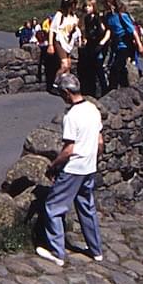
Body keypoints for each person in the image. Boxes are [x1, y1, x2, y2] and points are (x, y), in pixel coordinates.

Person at [35, 73, 104, 267]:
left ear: (67, 92)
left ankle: (57, 252)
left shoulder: (71, 116)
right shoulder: (93, 108)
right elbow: (100, 141)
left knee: (53, 207)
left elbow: (69, 150)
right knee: (87, 207)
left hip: (74, 168)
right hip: (89, 167)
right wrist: (94, 159)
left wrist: (54, 165)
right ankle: (96, 250)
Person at [102, 0, 141, 90]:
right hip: (115, 46)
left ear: (109, 4)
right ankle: (125, 87)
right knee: (120, 69)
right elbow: (108, 30)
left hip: (125, 45)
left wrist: (140, 45)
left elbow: (133, 31)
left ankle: (113, 89)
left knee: (116, 68)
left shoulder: (122, 16)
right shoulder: (108, 16)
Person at [77, 0, 111, 97]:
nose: (87, 8)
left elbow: (107, 31)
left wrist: (102, 42)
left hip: (100, 45)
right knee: (92, 68)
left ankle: (105, 90)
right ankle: (93, 91)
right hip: (91, 45)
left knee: (100, 67)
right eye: (86, 6)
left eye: (89, 6)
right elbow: (87, 33)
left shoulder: (99, 17)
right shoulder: (87, 19)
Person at [48, 0, 81, 88]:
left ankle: (66, 85)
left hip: (68, 43)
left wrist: (75, 29)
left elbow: (74, 31)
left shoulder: (74, 17)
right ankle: (56, 83)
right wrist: (50, 45)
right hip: (60, 41)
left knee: (69, 65)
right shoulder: (59, 15)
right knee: (64, 65)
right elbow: (52, 30)